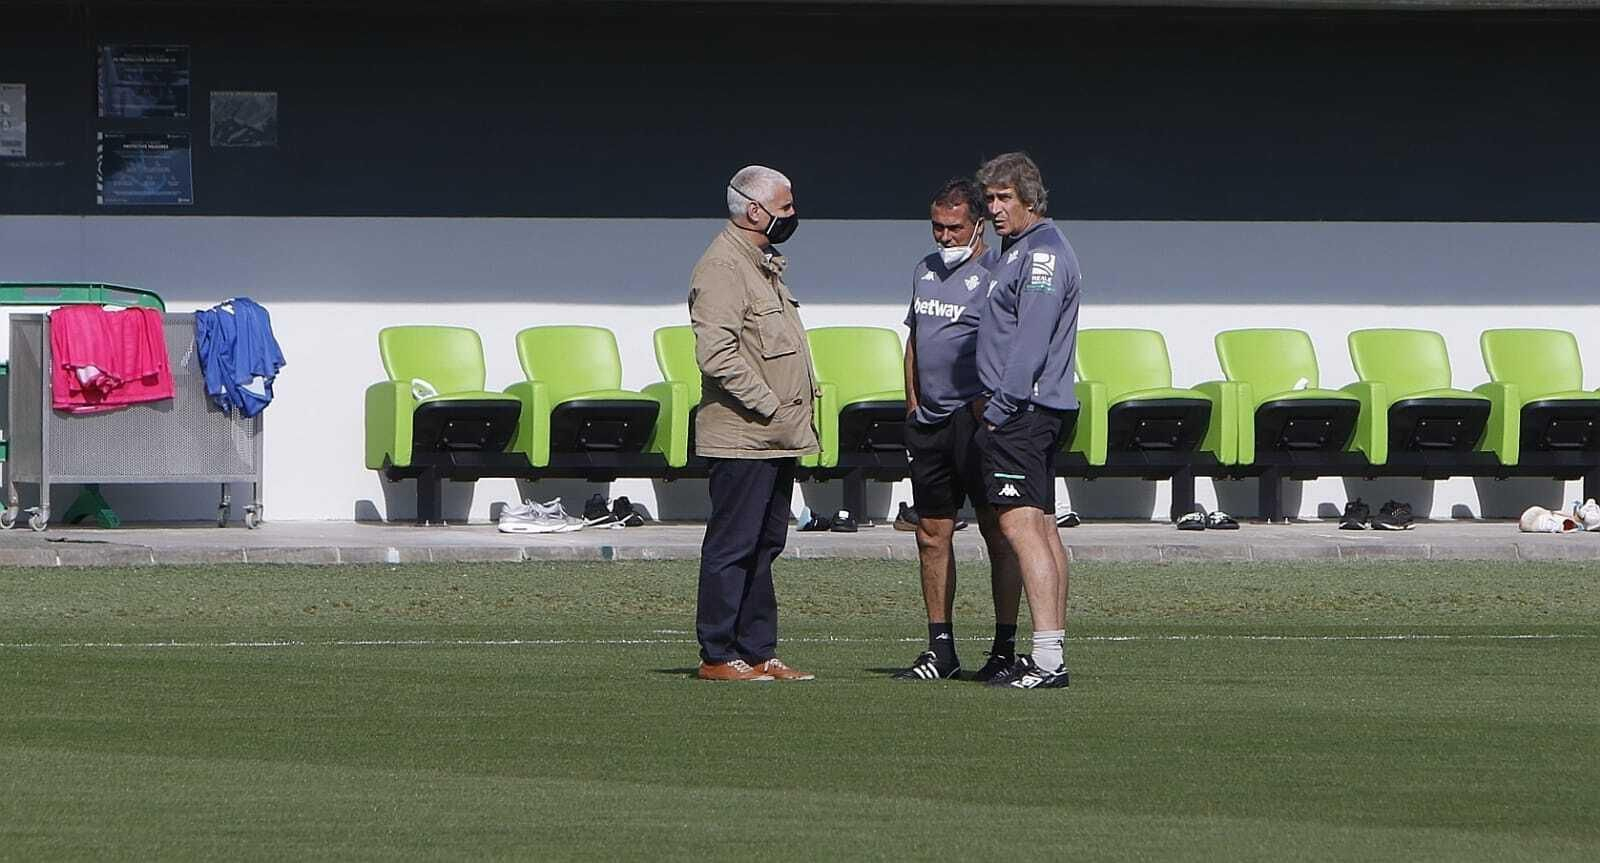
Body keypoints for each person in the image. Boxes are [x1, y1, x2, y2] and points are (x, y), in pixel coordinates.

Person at [689, 164, 819, 682]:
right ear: (754, 209)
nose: (792, 215)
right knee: (733, 546)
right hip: (744, 435)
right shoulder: (722, 267)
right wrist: (767, 404)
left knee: (766, 545)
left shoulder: (763, 263)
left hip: (775, 438)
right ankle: (718, 655)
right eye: (785, 207)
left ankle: (759, 650)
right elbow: (715, 354)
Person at [892, 178, 1024, 682]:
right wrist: (912, 405)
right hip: (929, 424)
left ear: (978, 225)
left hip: (979, 424)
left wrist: (989, 410)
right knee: (931, 534)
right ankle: (940, 651)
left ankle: (1003, 649)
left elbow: (1014, 346)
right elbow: (915, 340)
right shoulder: (924, 271)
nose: (944, 238)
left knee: (999, 532)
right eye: (937, 228)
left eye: (955, 228)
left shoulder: (998, 272)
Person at [971, 152, 1079, 690]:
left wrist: (1000, 407)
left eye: (1004, 198)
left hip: (1022, 411)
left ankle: (1046, 660)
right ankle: (1050, 653)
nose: (993, 208)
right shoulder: (1019, 253)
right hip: (1031, 410)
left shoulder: (1043, 257)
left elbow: (1030, 343)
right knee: (1038, 524)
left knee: (1019, 525)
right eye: (989, 198)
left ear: (1031, 199)